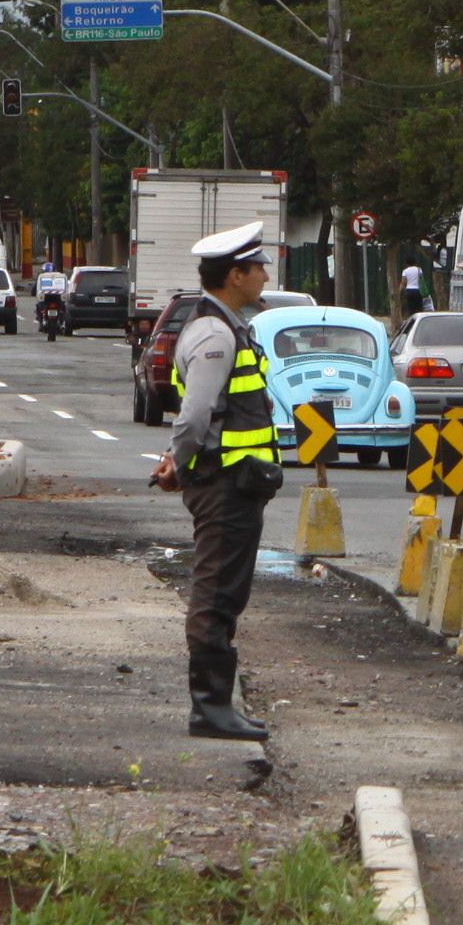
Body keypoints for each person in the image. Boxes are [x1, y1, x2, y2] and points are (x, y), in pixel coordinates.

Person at [157, 222, 284, 738]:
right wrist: (179, 461)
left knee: (227, 591)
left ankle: (218, 704)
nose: (264, 275)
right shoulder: (214, 334)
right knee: (214, 593)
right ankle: (209, 707)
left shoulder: (228, 326)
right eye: (257, 267)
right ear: (235, 275)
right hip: (223, 483)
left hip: (237, 482)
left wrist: (175, 460)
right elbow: (195, 415)